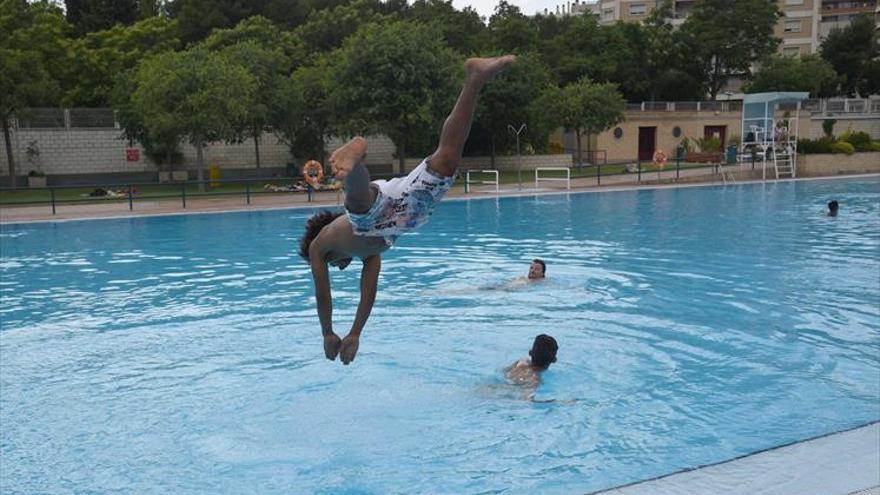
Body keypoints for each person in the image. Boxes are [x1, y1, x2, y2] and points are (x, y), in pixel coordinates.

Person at [299, 55, 517, 365]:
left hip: (374, 216)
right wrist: (355, 333)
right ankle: (475, 79)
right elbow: (368, 294)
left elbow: (323, 295)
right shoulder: (370, 255)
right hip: (406, 213)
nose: (339, 268)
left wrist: (327, 333)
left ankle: (355, 159)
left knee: (360, 203)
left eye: (336, 267)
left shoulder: (320, 247)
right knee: (447, 159)